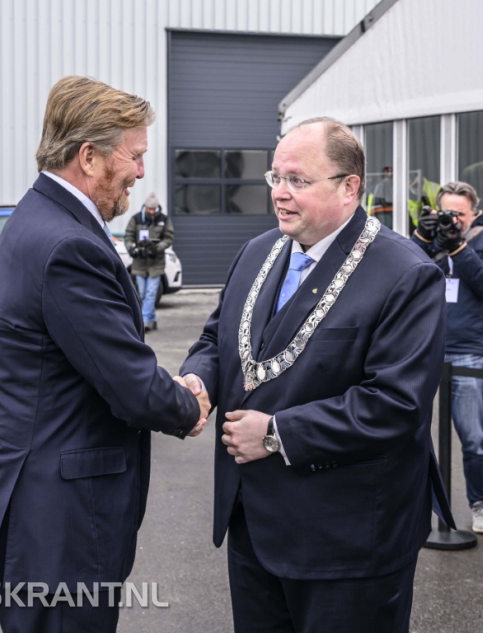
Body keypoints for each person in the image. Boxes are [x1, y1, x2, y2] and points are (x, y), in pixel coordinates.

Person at [180, 117, 453, 633]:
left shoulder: (406, 274)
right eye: (275, 177)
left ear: (349, 187)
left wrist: (277, 433)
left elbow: (395, 404)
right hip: (252, 526)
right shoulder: (257, 252)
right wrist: (198, 381)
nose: (279, 193)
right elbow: (217, 339)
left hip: (346, 544)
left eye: (298, 180)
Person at [0, 76, 209, 633]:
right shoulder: (68, 244)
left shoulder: (37, 217)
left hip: (35, 513)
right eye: (135, 156)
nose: (140, 172)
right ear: (89, 156)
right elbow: (131, 385)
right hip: (59, 528)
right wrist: (188, 403)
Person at [411, 182, 483, 534]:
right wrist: (422, 237)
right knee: (408, 431)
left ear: (474, 213)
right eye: (447, 212)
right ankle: (411, 504)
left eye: (460, 214)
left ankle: (481, 504)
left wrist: (459, 247)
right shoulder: (429, 236)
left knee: (473, 435)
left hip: (466, 349)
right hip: (423, 347)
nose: (453, 220)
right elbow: (401, 274)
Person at [124, 191, 173, 331]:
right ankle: (152, 319)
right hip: (139, 263)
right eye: (149, 209)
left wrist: (157, 248)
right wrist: (132, 249)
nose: (151, 211)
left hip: (156, 263)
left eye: (153, 209)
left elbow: (169, 238)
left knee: (151, 293)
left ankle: (144, 321)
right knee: (141, 294)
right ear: (145, 206)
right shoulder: (136, 219)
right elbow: (128, 236)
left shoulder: (164, 220)